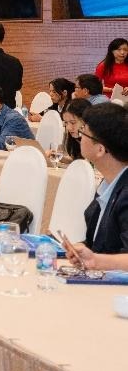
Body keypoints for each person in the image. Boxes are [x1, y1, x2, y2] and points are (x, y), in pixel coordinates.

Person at [65, 102, 128, 271]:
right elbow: (102, 243)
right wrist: (82, 248)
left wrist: (97, 261)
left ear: (100, 149)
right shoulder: (109, 183)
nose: (79, 136)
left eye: (84, 132)